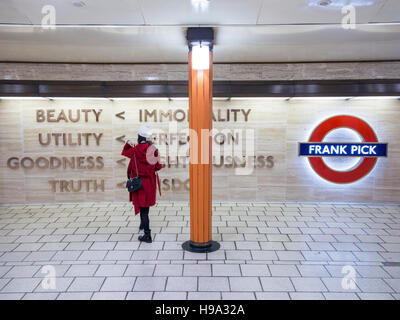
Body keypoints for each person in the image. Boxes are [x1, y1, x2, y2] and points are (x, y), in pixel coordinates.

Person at [121, 125, 163, 243]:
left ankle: (147, 235)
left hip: (139, 184)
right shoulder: (153, 149)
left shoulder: (135, 150)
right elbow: (158, 166)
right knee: (145, 208)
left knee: (142, 207)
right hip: (149, 183)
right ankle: (142, 225)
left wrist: (128, 143)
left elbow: (124, 152)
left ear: (139, 136)